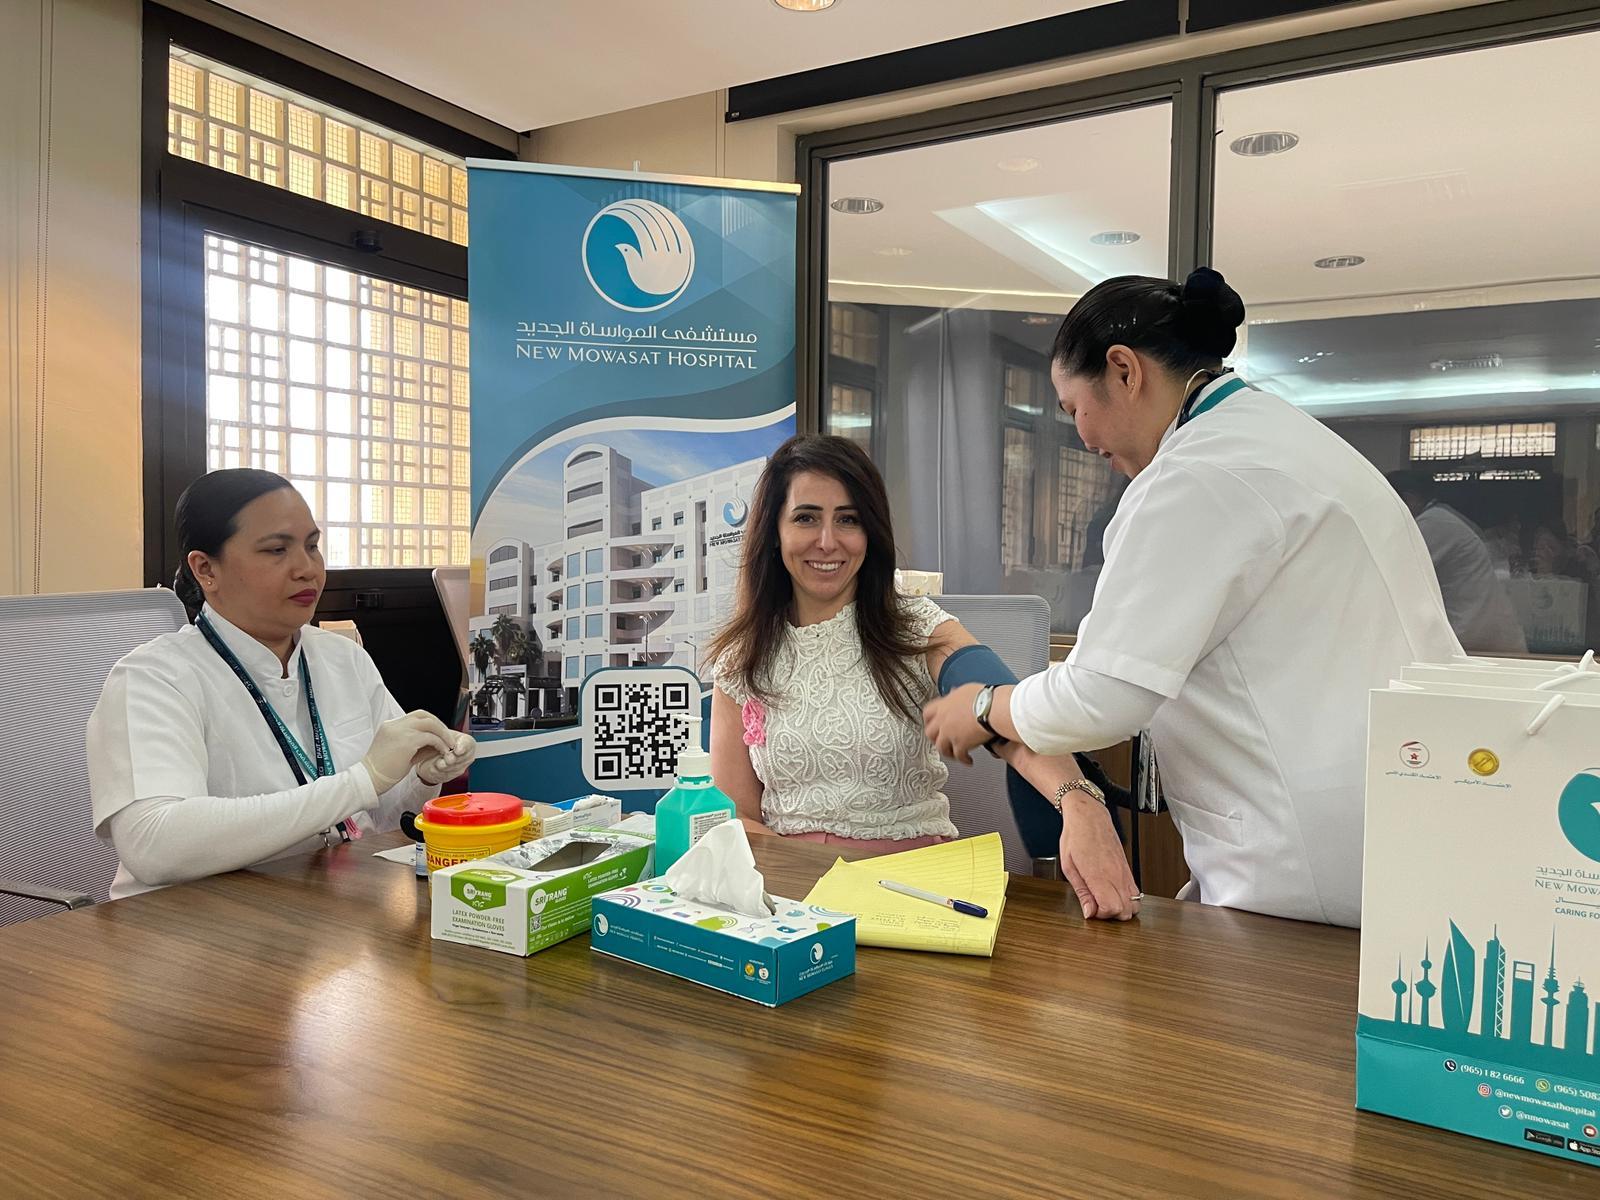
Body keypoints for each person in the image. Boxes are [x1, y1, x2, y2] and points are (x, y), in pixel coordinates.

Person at [923, 269, 1462, 927]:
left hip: (1305, 856)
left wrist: (983, 707)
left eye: (1072, 408)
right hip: (1395, 809)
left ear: (1124, 371)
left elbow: (1101, 697)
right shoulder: (1280, 437)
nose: (1083, 440)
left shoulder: (1195, 475)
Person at [706, 435, 1141, 919]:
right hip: (795, 892)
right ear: (774, 531)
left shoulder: (918, 628)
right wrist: (823, 879)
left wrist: (1079, 801)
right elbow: (736, 815)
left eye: (848, 519)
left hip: (914, 889)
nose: (827, 541)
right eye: (806, 518)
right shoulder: (742, 659)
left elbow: (1003, 712)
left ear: (871, 532)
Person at [87, 469, 477, 898]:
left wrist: (422, 776)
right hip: (193, 921)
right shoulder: (154, 678)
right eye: (277, 550)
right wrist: (360, 781)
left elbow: (382, 817)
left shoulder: (343, 658)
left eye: (312, 546)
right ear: (206, 569)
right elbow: (155, 846)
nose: (307, 569)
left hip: (323, 906)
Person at [1386, 469, 1526, 654]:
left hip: (1480, 642)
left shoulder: (1431, 524)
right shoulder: (1441, 518)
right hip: (1486, 636)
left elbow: (1393, 575)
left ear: (1409, 499)